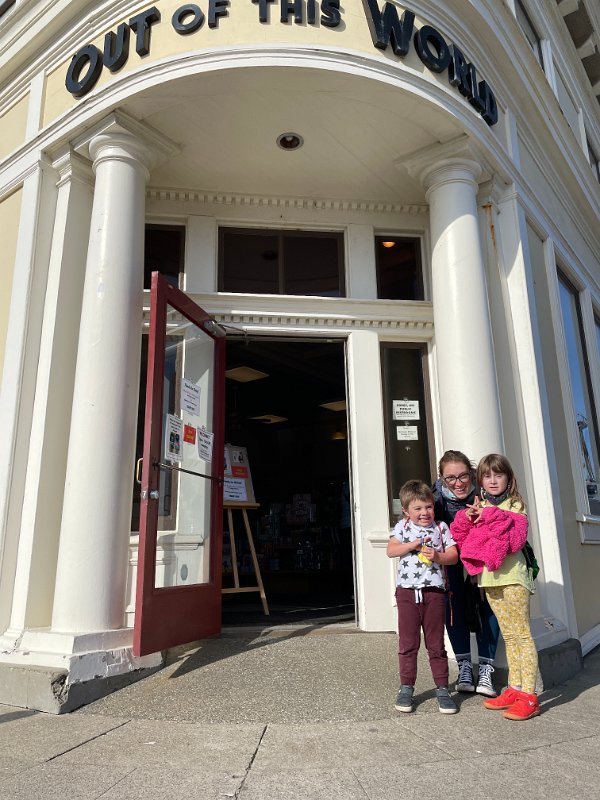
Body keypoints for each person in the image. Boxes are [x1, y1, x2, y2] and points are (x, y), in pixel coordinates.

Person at [450, 454, 540, 721]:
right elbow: (465, 539)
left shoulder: (516, 506)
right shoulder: (480, 506)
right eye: (487, 476)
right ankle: (515, 688)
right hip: (490, 580)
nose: (492, 481)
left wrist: (487, 515)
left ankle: (529, 695)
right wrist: (467, 518)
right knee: (509, 637)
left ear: (508, 479)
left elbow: (515, 540)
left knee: (522, 635)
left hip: (514, 578)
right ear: (480, 480)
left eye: (498, 475)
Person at [387, 479, 459, 714]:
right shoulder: (403, 527)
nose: (424, 512)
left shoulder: (441, 527)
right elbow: (391, 550)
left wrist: (437, 556)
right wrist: (413, 544)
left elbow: (453, 556)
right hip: (407, 593)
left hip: (434, 593)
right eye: (417, 508)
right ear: (406, 511)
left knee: (436, 644)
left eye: (428, 506)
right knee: (408, 644)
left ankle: (442, 689)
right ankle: (406, 687)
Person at [433, 450, 500, 697]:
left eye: (463, 476)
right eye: (450, 478)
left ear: (471, 473)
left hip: (483, 558)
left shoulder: (485, 493)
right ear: (442, 478)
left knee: (488, 607)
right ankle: (464, 666)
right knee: (453, 609)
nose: (458, 483)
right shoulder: (435, 499)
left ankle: (486, 668)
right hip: (450, 560)